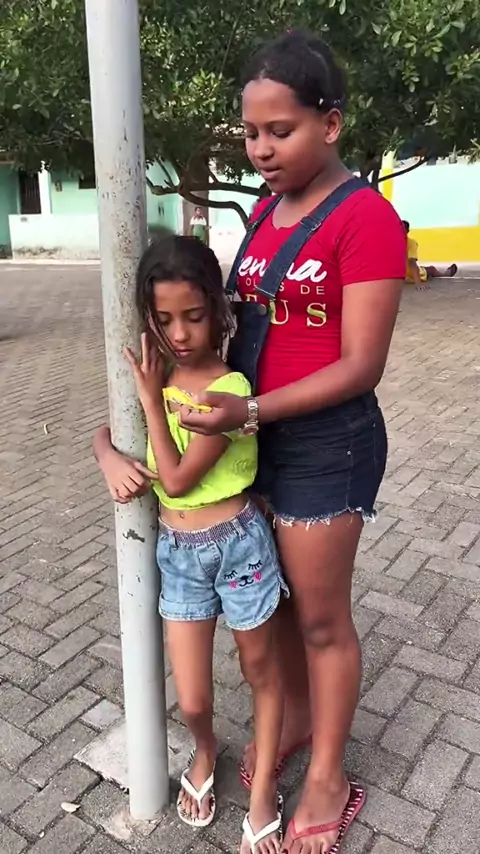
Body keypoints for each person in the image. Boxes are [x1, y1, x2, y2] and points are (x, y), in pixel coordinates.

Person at [177, 30, 407, 854]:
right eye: (251, 133)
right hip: (254, 440)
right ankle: (300, 719)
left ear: (331, 124)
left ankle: (329, 777)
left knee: (319, 620)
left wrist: (251, 411)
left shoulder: (366, 217)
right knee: (268, 601)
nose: (262, 149)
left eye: (281, 130)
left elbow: (360, 363)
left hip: (325, 446)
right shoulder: (265, 214)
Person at [93, 236, 288, 854]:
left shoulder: (227, 388)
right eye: (164, 318)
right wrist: (105, 454)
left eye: (194, 316)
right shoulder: (156, 373)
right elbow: (109, 428)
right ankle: (206, 749)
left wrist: (153, 400)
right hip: (178, 555)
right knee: (193, 697)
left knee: (260, 671)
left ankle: (264, 790)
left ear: (217, 309)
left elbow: (175, 481)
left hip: (238, 546)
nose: (179, 334)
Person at [403, 220, 457, 289]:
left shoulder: (391, 241)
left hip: (396, 275)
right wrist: (418, 284)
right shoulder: (411, 243)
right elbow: (412, 262)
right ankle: (445, 274)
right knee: (431, 269)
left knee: (424, 268)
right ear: (408, 231)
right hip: (408, 276)